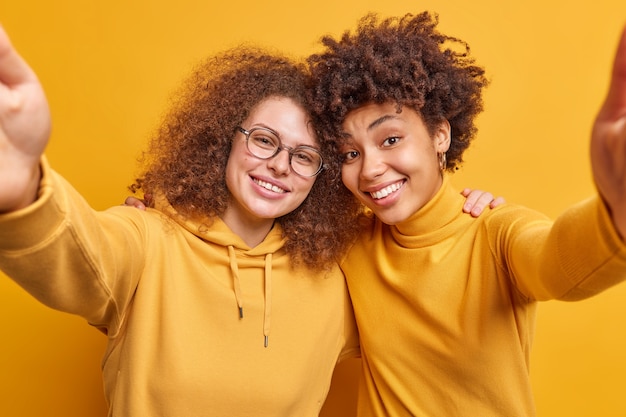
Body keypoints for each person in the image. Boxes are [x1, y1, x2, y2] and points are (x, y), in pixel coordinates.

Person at [0, 24, 499, 416]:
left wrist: (456, 217)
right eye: (264, 140)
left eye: (305, 156)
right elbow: (75, 253)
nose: (281, 164)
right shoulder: (147, 241)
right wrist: (23, 186)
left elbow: (426, 299)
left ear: (321, 177)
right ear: (224, 139)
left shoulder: (334, 280)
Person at [305, 11, 626, 417]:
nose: (369, 169)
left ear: (440, 134)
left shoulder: (494, 231)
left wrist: (615, 214)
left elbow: (553, 262)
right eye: (350, 153)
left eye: (390, 139)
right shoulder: (348, 245)